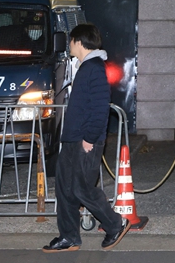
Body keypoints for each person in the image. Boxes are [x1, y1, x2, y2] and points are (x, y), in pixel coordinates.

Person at [44, 23, 128, 253]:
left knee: (81, 188)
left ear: (79, 42)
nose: (69, 45)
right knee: (65, 189)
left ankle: (115, 223)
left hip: (85, 140)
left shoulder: (94, 68)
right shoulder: (84, 66)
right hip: (72, 139)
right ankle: (69, 236)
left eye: (71, 41)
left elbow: (100, 108)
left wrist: (90, 138)